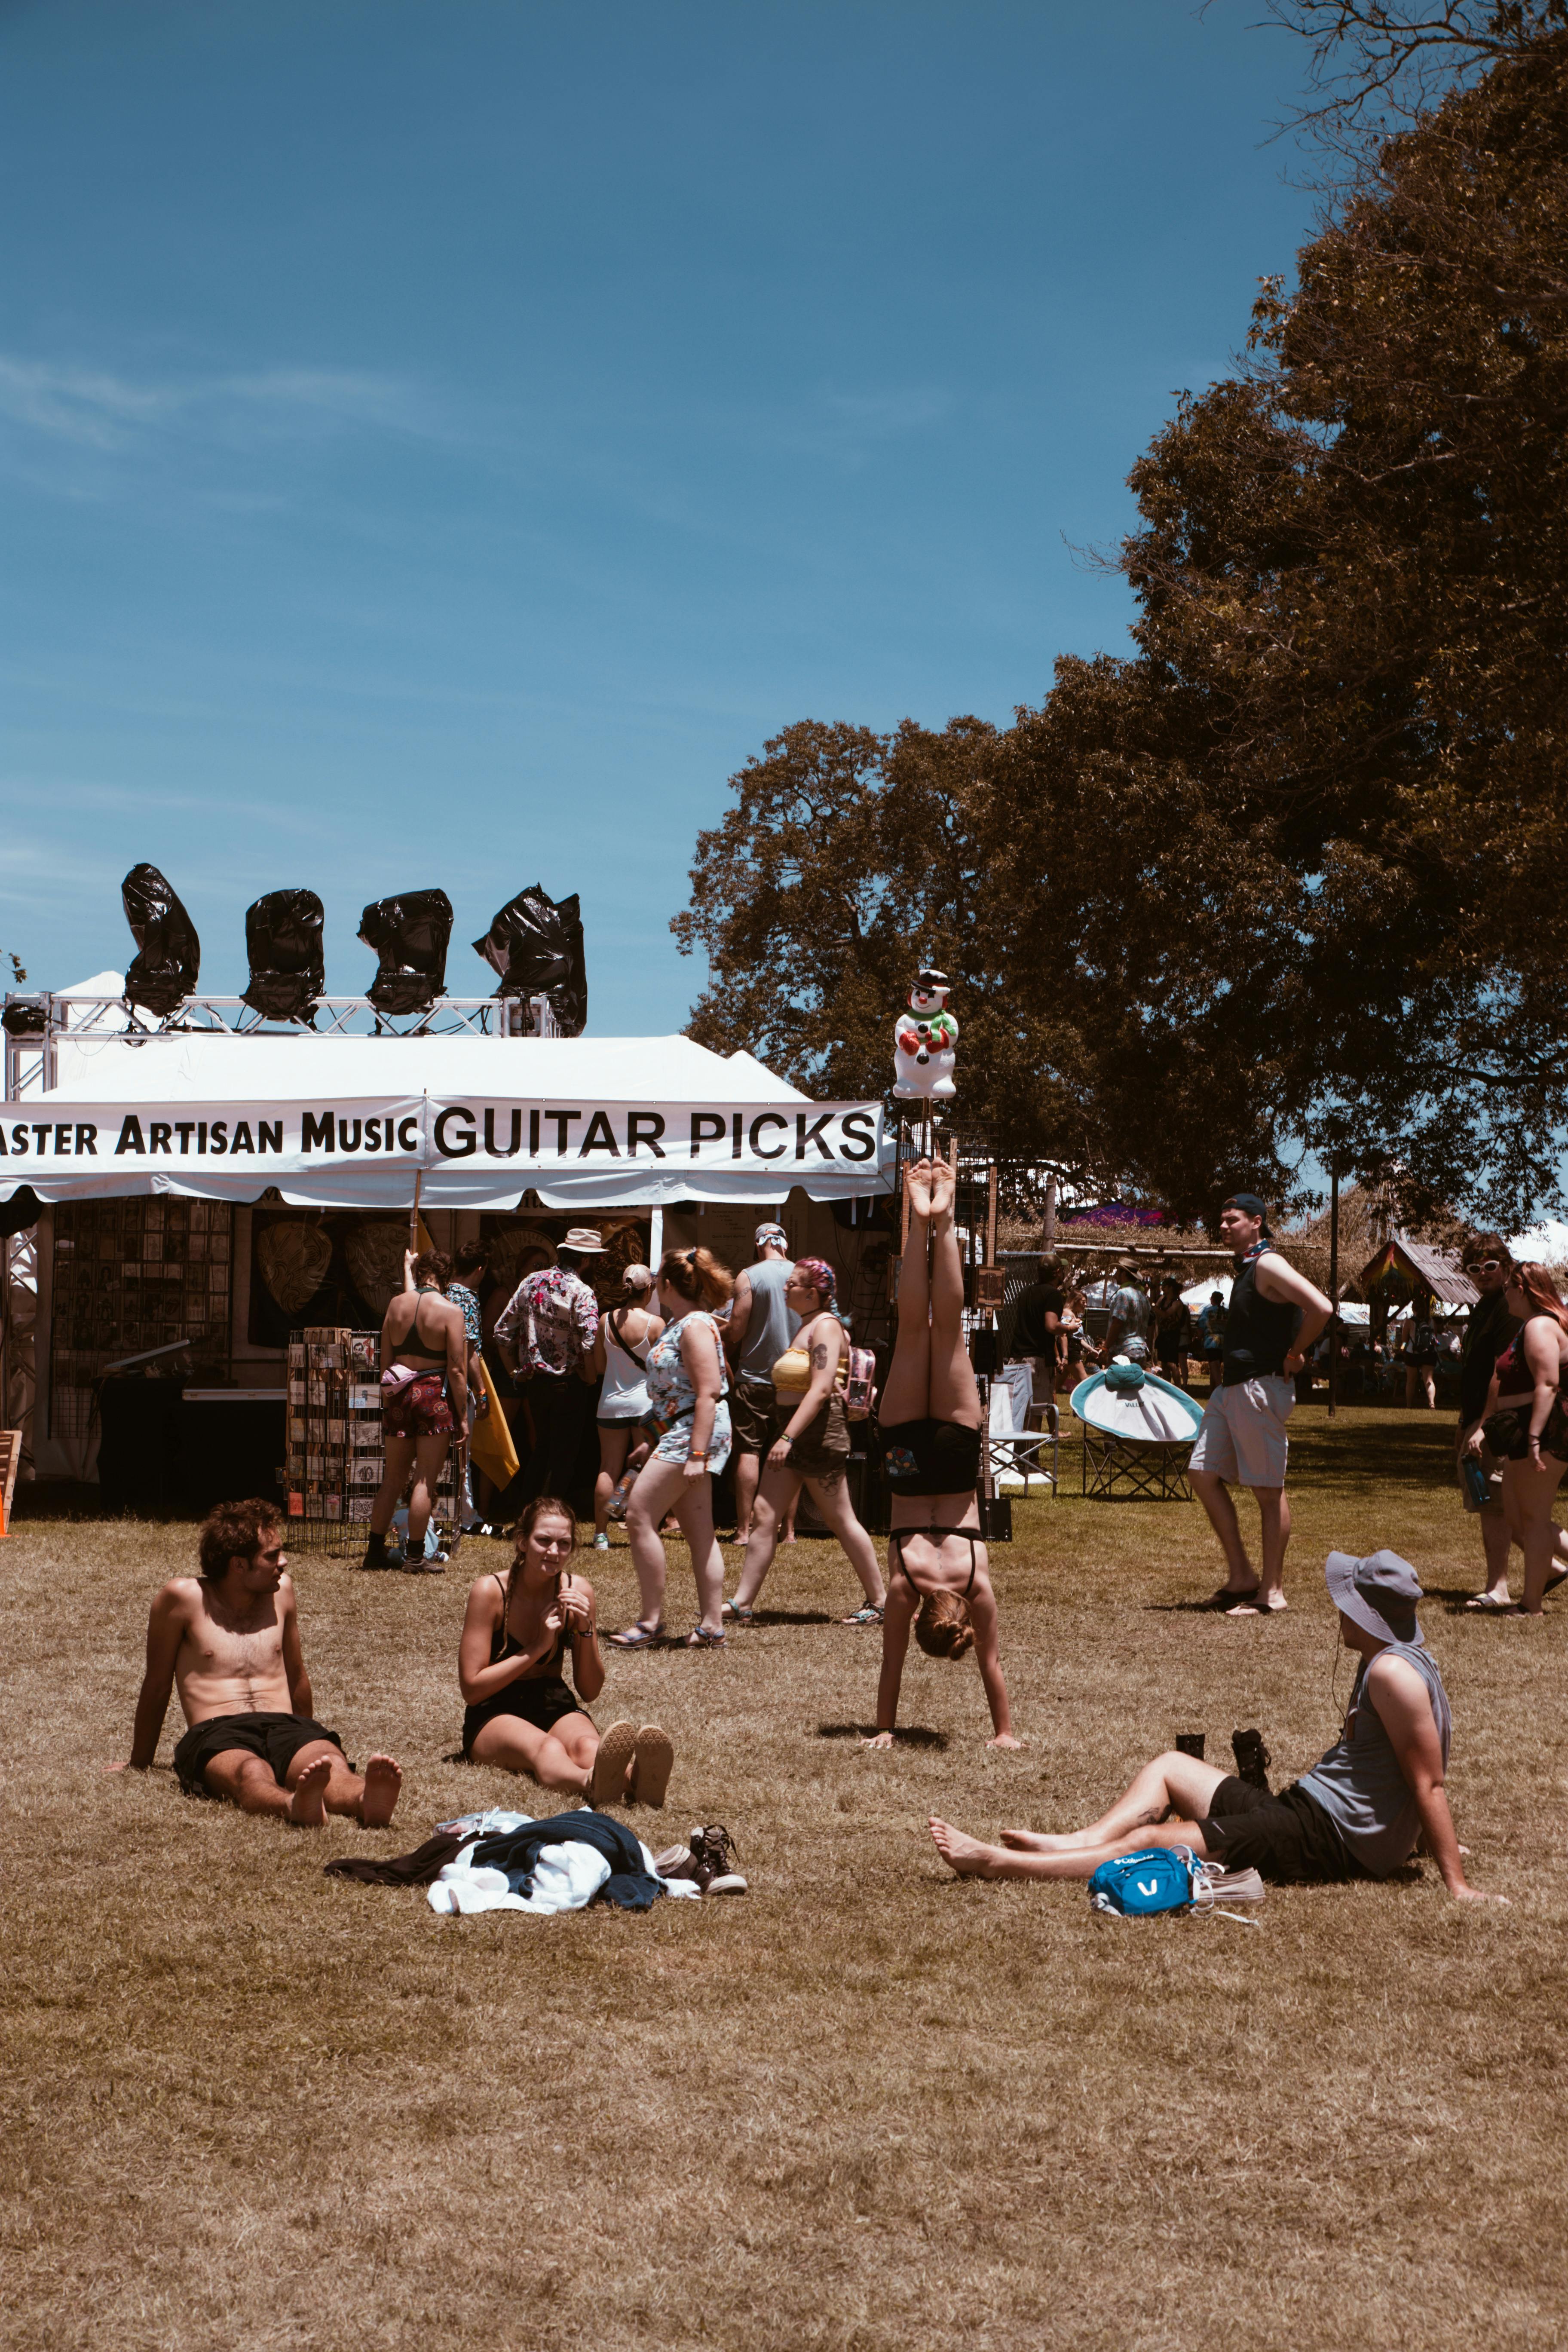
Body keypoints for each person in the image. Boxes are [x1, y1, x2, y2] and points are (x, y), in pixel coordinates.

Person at [928, 1550, 1505, 1904]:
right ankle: (1073, 1842)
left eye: (1346, 1601)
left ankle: (1002, 1865)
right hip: (1303, 1813)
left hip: (1326, 1842)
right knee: (1170, 1767)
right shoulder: (1387, 1659)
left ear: (1366, 1614)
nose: (1337, 1609)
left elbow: (1427, 1781)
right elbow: (1396, 1771)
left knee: (1152, 1842)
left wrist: (1456, 1881)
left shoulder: (1395, 1676)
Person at [110, 1499, 403, 1826]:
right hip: (218, 1730)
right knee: (250, 1772)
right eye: (272, 1555)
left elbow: (296, 1675)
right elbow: (158, 1684)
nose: (284, 1562)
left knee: (329, 1762)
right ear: (238, 1565)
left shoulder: (282, 1593)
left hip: (285, 1725)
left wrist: (307, 1734)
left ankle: (364, 1800)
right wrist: (140, 1762)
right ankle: (292, 1804)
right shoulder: (183, 1598)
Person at [867, 1151, 1017, 1751]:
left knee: (948, 1329)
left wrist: (1007, 1731)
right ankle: (922, 1215)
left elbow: (993, 1665)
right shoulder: (906, 1586)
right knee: (914, 1329)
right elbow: (892, 1668)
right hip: (906, 1459)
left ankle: (945, 1216)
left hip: (954, 1458)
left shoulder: (976, 1582)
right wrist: (884, 1728)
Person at [456, 1494, 673, 1805]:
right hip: (494, 1710)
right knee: (547, 1749)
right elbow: (473, 1690)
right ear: (522, 1542)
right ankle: (592, 1782)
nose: (554, 1552)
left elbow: (590, 1690)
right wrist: (538, 1647)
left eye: (564, 1544)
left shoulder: (577, 1591)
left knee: (588, 1745)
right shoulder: (490, 1592)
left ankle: (635, 1779)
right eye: (543, 1541)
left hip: (550, 1700)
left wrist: (585, 1628)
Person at [1188, 1193, 1332, 1614]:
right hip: (1231, 1387)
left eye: (1232, 1220)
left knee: (1268, 1491)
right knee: (1201, 1472)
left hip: (1259, 1387)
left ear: (1257, 1222)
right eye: (1221, 1220)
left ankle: (1272, 1592)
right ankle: (1242, 1577)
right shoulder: (1249, 1267)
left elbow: (1321, 1307)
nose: (1224, 1227)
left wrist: (1295, 1353)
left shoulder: (1269, 1263)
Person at [724, 1256, 888, 1626]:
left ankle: (880, 1602)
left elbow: (819, 1391)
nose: (785, 1288)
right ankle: (742, 1602)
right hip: (797, 1433)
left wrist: (786, 1437)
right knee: (765, 1515)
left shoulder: (825, 1327)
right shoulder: (807, 1325)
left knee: (841, 1519)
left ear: (812, 1294)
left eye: (792, 1284)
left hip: (815, 1435)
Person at [609, 1246, 735, 1650]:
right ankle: (712, 1627)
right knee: (701, 1532)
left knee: (639, 1513)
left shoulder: (694, 1325)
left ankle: (650, 1623)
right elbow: (680, 1395)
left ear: (665, 1283)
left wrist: (697, 1454)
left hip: (693, 1434)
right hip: (681, 1431)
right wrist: (654, 1441)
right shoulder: (683, 1323)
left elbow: (707, 1393)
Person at [1464, 1261, 1568, 1614]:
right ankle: (1542, 1582)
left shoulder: (1540, 1325)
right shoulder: (1530, 1326)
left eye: (1509, 1286)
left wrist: (1536, 1437)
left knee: (1534, 1518)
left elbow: (1549, 1384)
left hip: (1543, 1428)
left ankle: (1531, 1605)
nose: (1504, 1292)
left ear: (1521, 1290)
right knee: (1515, 1516)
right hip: (1523, 1427)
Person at [363, 1246, 468, 1571]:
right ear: (447, 1278)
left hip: (398, 1394)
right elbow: (457, 1369)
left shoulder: (396, 1305)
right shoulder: (451, 1311)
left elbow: (384, 1361)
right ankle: (414, 1556)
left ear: (420, 1273)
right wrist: (463, 1416)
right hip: (433, 1397)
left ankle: (375, 1552)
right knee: (425, 1479)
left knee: (392, 1479)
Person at [492, 1228, 604, 1520]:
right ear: (586, 1261)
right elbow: (591, 1342)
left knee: (541, 1451)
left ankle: (525, 1515)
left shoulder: (532, 1281)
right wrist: (591, 1378)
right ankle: (549, 1517)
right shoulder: (582, 1292)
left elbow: (502, 1332)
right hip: (570, 1383)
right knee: (564, 1458)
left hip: (536, 1384)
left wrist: (515, 1373)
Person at [723, 1222, 799, 1541]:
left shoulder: (749, 1276)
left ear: (758, 1245)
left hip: (754, 1377)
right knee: (788, 1453)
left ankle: (743, 1530)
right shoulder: (803, 1275)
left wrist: (717, 1329)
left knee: (750, 1452)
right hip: (796, 1379)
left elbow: (736, 1331)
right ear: (785, 1245)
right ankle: (789, 1530)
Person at [590, 1264, 663, 1549]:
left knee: (607, 1467)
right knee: (644, 1468)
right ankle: (642, 1528)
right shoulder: (656, 1324)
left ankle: (600, 1534)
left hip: (610, 1404)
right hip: (646, 1406)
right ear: (649, 1290)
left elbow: (599, 1367)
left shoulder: (604, 1321)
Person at [1011, 1253, 1066, 1411]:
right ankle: (1033, 1437)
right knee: (1036, 1411)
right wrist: (1069, 1328)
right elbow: (1051, 1326)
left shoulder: (1026, 1292)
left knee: (1021, 1412)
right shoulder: (1053, 1294)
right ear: (1057, 1273)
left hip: (1017, 1358)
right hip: (1037, 1361)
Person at [1151, 1277, 1193, 1387]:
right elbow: (1157, 1308)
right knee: (1164, 1364)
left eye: (1165, 1286)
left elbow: (1165, 1314)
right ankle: (1167, 1387)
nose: (1163, 1288)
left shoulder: (1177, 1303)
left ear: (1170, 1288)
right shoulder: (1163, 1299)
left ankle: (1178, 1387)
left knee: (1172, 1364)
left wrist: (1153, 1306)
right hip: (1164, 1334)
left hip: (1173, 1335)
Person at [1104, 1265, 1150, 1362]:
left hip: (1123, 1352)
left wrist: (1106, 1347)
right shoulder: (1143, 1296)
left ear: (1124, 1274)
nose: (1115, 1276)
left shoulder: (1123, 1294)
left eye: (1118, 1272)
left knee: (1114, 1377)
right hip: (1140, 1350)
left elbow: (1118, 1323)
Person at [1403, 1312, 1439, 1408]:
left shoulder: (1409, 1322)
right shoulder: (1432, 1321)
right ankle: (1432, 1403)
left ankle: (1409, 1405)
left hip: (1413, 1353)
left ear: (1413, 1309)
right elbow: (1435, 1337)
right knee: (1429, 1381)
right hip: (1430, 1353)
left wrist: (1403, 1348)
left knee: (1411, 1380)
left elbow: (1404, 1340)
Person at [1197, 1289, 1227, 1390]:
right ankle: (1212, 1388)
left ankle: (1219, 1389)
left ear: (1213, 1300)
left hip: (1211, 1342)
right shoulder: (1227, 1312)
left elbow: (1201, 1326)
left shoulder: (1207, 1311)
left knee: (1214, 1366)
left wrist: (1198, 1339)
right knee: (1215, 1366)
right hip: (1225, 1342)